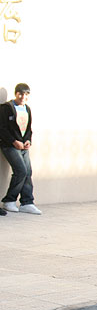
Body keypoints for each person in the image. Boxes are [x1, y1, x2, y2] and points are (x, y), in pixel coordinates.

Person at [0, 83, 42, 215]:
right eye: (21, 94)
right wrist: (13, 141)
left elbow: (28, 129)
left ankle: (27, 202)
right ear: (16, 93)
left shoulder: (27, 109)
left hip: (23, 146)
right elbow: (2, 128)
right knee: (21, 171)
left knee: (28, 172)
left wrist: (28, 140)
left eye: (26, 94)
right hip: (10, 146)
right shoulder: (6, 108)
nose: (23, 97)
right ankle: (9, 201)